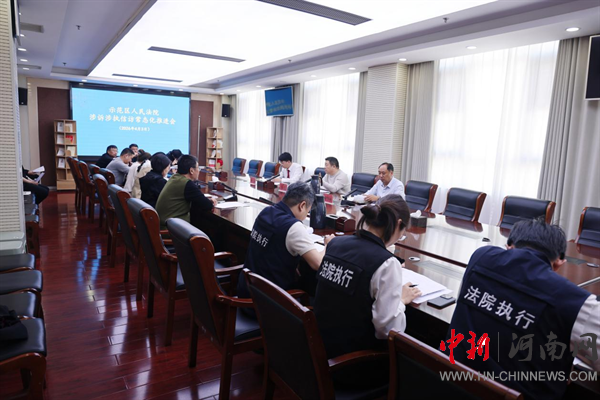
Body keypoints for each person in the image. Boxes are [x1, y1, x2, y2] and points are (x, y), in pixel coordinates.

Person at [446, 219, 599, 400]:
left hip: (450, 387)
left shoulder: (480, 256)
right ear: (559, 262)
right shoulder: (576, 303)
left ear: (509, 246)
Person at [314, 195, 422, 359]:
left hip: (318, 345)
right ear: (398, 224)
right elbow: (388, 330)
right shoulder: (387, 264)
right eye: (402, 232)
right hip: (353, 360)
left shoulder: (335, 244)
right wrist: (400, 300)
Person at [237, 182, 334, 299]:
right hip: (269, 301)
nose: (306, 216)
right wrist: (328, 244)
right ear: (302, 205)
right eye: (307, 211)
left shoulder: (266, 211)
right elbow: (318, 264)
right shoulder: (293, 227)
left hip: (246, 289)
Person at [155, 155, 217, 229]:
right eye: (198, 168)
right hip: (172, 229)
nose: (199, 171)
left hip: (165, 224)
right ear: (191, 170)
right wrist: (211, 202)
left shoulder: (175, 178)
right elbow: (207, 205)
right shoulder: (187, 184)